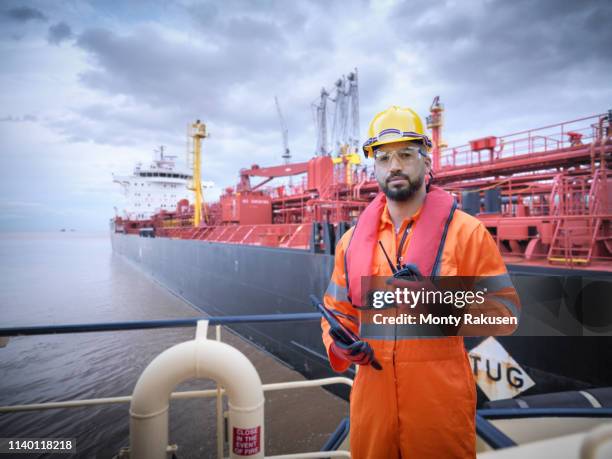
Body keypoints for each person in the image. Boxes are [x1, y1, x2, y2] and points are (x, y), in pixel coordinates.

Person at [321, 106, 520, 458]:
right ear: (375, 169)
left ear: (426, 163)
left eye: (405, 154)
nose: (394, 165)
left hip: (439, 412)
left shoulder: (466, 233)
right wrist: (339, 345)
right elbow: (336, 311)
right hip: (372, 409)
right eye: (384, 158)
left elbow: (505, 312)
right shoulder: (350, 242)